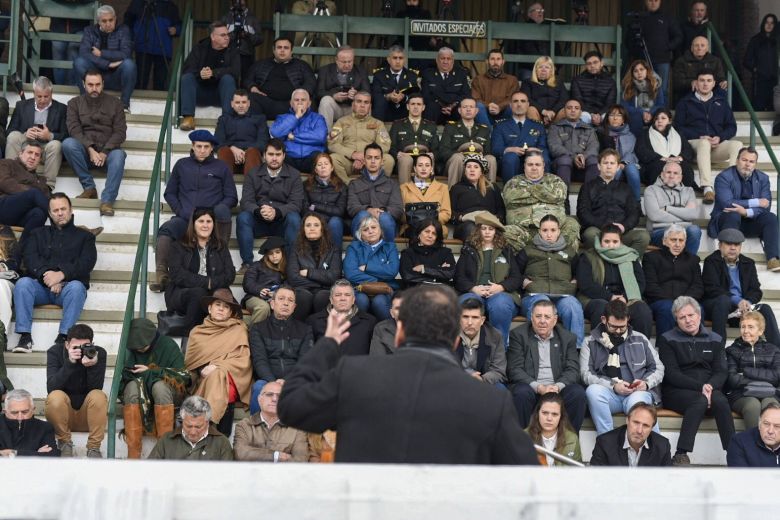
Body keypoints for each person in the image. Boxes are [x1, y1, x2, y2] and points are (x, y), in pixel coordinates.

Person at [279, 284, 539, 464]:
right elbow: (527, 478)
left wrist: (327, 345)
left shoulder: (353, 375)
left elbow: (291, 405)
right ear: (455, 342)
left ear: (400, 333)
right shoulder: (491, 402)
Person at [152, 129, 238, 292]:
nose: (202, 150)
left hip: (211, 221)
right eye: (199, 146)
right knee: (166, 229)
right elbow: (169, 192)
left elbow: (231, 197)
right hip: (186, 218)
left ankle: (220, 259)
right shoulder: (182, 165)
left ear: (212, 148)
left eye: (206, 146)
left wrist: (213, 213)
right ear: (192, 146)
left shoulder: (221, 167)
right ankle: (162, 275)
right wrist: (180, 210)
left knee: (224, 211)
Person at [657, 295, 736, 465]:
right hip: (677, 391)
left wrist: (709, 387)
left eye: (691, 315)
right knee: (699, 401)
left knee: (721, 401)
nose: (688, 320)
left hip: (710, 388)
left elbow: (721, 371)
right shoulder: (667, 339)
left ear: (699, 315)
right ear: (676, 320)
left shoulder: (715, 339)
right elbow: (672, 374)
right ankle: (681, 454)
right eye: (682, 317)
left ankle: (734, 453)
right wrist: (702, 387)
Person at [12, 194, 96, 352]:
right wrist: (48, 278)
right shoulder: (37, 233)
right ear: (50, 214)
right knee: (23, 284)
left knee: (78, 288)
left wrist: (61, 275)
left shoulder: (85, 237)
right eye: (55, 210)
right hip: (41, 288)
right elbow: (30, 258)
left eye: (63, 209)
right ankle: (24, 337)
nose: (60, 213)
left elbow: (86, 263)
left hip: (68, 289)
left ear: (71, 210)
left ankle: (65, 337)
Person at [580, 299, 664, 436]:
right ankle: (606, 441)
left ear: (628, 320)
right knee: (592, 391)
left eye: (622, 327)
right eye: (613, 326)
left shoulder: (640, 338)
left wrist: (646, 384)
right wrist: (613, 385)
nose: (618, 331)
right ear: (603, 319)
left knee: (638, 402)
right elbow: (586, 374)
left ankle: (654, 448)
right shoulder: (590, 342)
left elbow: (658, 368)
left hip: (637, 392)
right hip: (611, 393)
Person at [507, 299, 586, 432]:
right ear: (531, 318)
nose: (542, 321)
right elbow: (514, 369)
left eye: (547, 317)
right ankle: (523, 441)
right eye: (538, 316)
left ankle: (568, 442)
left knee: (578, 393)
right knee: (521, 393)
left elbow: (573, 370)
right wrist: (539, 387)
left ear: (555, 320)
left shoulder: (567, 338)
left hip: (557, 389)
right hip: (531, 388)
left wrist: (557, 387)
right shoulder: (518, 335)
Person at [185, 288, 252, 436]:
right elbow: (191, 363)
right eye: (218, 305)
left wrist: (216, 366)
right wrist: (207, 370)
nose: (221, 309)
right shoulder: (197, 332)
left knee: (218, 376)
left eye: (226, 307)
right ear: (210, 308)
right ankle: (218, 434)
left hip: (232, 377)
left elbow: (242, 359)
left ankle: (209, 428)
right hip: (203, 378)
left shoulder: (238, 330)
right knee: (214, 379)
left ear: (230, 312)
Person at [119, 317, 189, 459]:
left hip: (167, 394)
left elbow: (183, 376)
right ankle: (133, 455)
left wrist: (151, 371)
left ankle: (164, 451)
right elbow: (124, 378)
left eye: (143, 346)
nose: (139, 350)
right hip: (141, 392)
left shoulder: (167, 345)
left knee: (159, 387)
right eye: (136, 348)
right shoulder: (130, 350)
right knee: (132, 387)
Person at [62, 69, 127, 217]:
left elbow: (120, 132)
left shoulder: (115, 103)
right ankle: (89, 187)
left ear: (103, 84)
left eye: (98, 84)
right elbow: (74, 129)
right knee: (68, 144)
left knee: (120, 155)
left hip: (108, 153)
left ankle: (107, 201)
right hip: (84, 154)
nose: (94, 88)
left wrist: (104, 152)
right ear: (84, 84)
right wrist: (90, 149)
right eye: (90, 85)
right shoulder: (74, 103)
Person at [702, 228, 780, 348]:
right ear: (720, 245)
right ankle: (718, 349)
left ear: (740, 247)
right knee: (723, 300)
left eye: (737, 244)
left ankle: (776, 350)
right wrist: (737, 301)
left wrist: (747, 302)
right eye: (728, 244)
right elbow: (711, 289)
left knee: (765, 308)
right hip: (718, 308)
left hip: (741, 310)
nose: (733, 248)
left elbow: (756, 290)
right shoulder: (711, 261)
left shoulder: (748, 263)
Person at [165, 208, 236, 335]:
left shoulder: (220, 246)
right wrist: (206, 282)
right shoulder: (178, 246)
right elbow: (177, 274)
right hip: (181, 293)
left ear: (214, 225)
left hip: (214, 292)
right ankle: (191, 338)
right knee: (199, 293)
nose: (205, 225)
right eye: (201, 221)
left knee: (229, 303)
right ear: (193, 224)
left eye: (209, 221)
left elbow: (230, 274)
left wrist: (211, 284)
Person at [516, 215, 585, 345]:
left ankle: (575, 352)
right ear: (539, 231)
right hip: (535, 295)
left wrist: (575, 281)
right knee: (543, 305)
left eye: (553, 230)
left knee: (573, 306)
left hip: (563, 295)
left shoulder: (569, 251)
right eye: (545, 230)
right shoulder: (528, 250)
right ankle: (536, 350)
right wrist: (524, 281)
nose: (549, 234)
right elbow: (514, 273)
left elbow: (580, 273)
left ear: (559, 231)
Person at [237, 139, 304, 271]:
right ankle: (247, 263)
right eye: (271, 154)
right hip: (259, 221)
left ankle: (290, 264)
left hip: (282, 223)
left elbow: (296, 204)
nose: (274, 158)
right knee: (243, 217)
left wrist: (277, 212)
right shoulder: (253, 173)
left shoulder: (294, 175)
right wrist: (258, 211)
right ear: (264, 155)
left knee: (294, 218)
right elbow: (246, 201)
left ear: (284, 156)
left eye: (278, 155)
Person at [454, 212, 521, 346]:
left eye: (491, 229)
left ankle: (499, 348)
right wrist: (473, 289)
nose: (487, 232)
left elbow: (516, 278)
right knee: (468, 303)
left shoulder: (505, 250)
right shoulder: (469, 250)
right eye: (483, 228)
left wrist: (500, 287)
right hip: (475, 292)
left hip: (501, 294)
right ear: (478, 231)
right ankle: (466, 348)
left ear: (496, 231)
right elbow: (458, 278)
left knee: (500, 304)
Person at [708, 147, 780, 270]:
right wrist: (755, 202)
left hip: (749, 221)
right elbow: (727, 203)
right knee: (733, 214)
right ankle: (728, 258)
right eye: (744, 160)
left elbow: (766, 206)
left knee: (770, 217)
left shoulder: (763, 178)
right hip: (726, 221)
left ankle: (773, 259)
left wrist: (746, 212)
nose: (747, 164)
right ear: (737, 160)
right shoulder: (723, 177)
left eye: (751, 162)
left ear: (755, 164)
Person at [675, 72, 743, 203]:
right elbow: (678, 128)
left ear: (713, 84)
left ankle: (733, 185)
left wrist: (719, 137)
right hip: (693, 146)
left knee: (737, 145)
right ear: (696, 83)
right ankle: (707, 188)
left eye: (709, 80)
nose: (705, 84)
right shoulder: (685, 102)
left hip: (715, 146)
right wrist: (699, 136)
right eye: (702, 80)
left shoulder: (721, 102)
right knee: (704, 143)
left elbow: (731, 127)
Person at [576, 224, 653, 338]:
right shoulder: (588, 256)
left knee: (642, 311)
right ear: (600, 241)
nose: (610, 245)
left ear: (621, 242)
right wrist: (610, 297)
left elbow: (640, 283)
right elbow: (586, 284)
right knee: (601, 307)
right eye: (606, 241)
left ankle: (639, 349)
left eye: (615, 241)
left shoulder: (630, 256)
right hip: (596, 298)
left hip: (626, 298)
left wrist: (625, 297)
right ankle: (602, 349)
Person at [45, 323, 107, 458]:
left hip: (88, 416)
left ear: (92, 344)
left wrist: (93, 365)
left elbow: (95, 388)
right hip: (64, 416)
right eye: (75, 347)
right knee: (55, 396)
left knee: (98, 395)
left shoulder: (98, 353)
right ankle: (65, 443)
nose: (80, 351)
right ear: (67, 345)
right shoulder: (55, 352)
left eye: (84, 346)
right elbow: (51, 387)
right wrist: (69, 362)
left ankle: (94, 448)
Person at [248, 286, 313, 414]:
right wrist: (273, 383)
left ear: (294, 307)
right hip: (267, 378)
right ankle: (256, 430)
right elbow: (259, 360)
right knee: (259, 388)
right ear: (272, 304)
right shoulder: (258, 328)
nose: (285, 303)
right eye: (281, 299)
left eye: (290, 300)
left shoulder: (305, 330)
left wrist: (287, 381)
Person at [577, 149, 649, 255]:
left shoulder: (626, 188)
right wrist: (603, 225)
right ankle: (603, 264)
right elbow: (583, 213)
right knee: (590, 234)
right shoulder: (588, 187)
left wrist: (623, 226)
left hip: (620, 233)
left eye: (612, 163)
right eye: (605, 163)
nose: (609, 166)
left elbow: (634, 213)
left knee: (643, 237)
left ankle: (628, 263)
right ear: (599, 166)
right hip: (598, 231)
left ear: (618, 167)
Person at [502, 152, 579, 250]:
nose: (534, 168)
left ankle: (560, 257)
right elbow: (510, 199)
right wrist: (545, 194)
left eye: (537, 164)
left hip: (553, 231)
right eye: (530, 164)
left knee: (572, 224)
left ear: (543, 166)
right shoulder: (513, 182)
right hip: (524, 230)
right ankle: (528, 258)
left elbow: (559, 196)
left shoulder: (555, 181)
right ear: (524, 166)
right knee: (505, 232)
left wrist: (527, 192)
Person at [5, 76, 67, 189]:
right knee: (13, 136)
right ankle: (10, 178)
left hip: (45, 148)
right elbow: (9, 130)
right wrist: (25, 133)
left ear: (51, 93)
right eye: (39, 96)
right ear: (34, 93)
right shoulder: (21, 106)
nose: (42, 100)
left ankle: (47, 186)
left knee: (56, 145)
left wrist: (50, 136)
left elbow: (66, 134)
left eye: (46, 96)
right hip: (25, 146)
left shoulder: (61, 108)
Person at [643, 224, 704, 336]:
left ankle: (696, 347)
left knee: (697, 309)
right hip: (660, 302)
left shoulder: (693, 260)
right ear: (664, 241)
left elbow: (697, 287)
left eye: (681, 240)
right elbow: (650, 286)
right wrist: (675, 304)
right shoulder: (651, 258)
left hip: (686, 301)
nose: (677, 244)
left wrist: (684, 302)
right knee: (667, 308)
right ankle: (665, 348)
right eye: (673, 240)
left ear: (685, 243)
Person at [73, 5, 136, 112]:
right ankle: (86, 101)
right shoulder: (89, 31)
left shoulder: (123, 30)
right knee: (79, 62)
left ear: (115, 18)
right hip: (94, 77)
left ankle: (124, 105)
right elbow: (84, 53)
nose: (108, 23)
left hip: (115, 77)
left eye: (111, 20)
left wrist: (102, 53)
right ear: (98, 22)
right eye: (104, 21)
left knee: (129, 64)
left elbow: (125, 54)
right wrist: (107, 64)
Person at [179, 21, 240, 131]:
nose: (227, 38)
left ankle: (226, 120)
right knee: (187, 77)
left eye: (228, 34)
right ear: (213, 37)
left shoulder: (233, 50)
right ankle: (188, 118)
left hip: (222, 96)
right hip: (200, 94)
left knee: (228, 79)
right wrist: (200, 74)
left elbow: (236, 71)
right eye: (223, 35)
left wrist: (214, 73)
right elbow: (187, 69)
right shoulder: (200, 48)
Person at [725, 311, 780, 429]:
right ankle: (754, 446)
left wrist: (747, 372)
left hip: (769, 392)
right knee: (753, 405)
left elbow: (776, 377)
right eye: (743, 327)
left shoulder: (773, 350)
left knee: (771, 406)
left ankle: (772, 444)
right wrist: (765, 379)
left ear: (760, 331)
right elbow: (733, 379)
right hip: (740, 394)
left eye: (750, 327)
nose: (745, 331)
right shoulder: (732, 350)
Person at [234, 380, 309, 462]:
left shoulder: (297, 428)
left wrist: (255, 454)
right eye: (269, 394)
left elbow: (300, 460)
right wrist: (276, 456)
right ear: (259, 399)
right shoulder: (244, 425)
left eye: (280, 396)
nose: (274, 399)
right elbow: (240, 454)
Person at [328, 92, 394, 183]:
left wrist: (366, 156)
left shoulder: (378, 124)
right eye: (359, 101)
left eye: (366, 102)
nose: (362, 105)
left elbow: (385, 145)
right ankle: (348, 187)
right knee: (333, 158)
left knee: (389, 160)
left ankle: (376, 186)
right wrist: (353, 154)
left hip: (371, 161)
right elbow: (333, 144)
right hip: (348, 162)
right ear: (353, 104)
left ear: (370, 106)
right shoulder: (341, 122)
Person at [244, 36, 316, 120]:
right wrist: (253, 88)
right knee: (250, 98)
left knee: (310, 102)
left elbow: (311, 82)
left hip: (292, 104)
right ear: (273, 50)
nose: (282, 50)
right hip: (266, 103)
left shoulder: (302, 65)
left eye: (286, 48)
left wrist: (299, 96)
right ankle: (258, 127)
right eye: (279, 47)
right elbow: (247, 80)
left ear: (291, 50)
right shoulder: (261, 64)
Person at [344, 215, 400, 322]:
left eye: (374, 227)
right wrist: (379, 281)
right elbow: (351, 273)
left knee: (379, 301)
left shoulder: (390, 247)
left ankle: (388, 332)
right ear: (360, 234)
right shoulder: (354, 247)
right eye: (366, 229)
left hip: (383, 291)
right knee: (361, 300)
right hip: (359, 289)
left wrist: (366, 268)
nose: (370, 231)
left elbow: (392, 271)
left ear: (380, 230)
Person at [287, 213, 342, 319]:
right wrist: (321, 281)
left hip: (324, 291)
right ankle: (299, 333)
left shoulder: (333, 248)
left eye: (316, 225)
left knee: (322, 296)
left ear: (322, 229)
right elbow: (293, 277)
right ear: (303, 229)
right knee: (303, 296)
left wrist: (309, 272)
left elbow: (334, 276)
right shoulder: (295, 248)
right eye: (308, 225)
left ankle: (322, 333)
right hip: (302, 289)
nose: (312, 228)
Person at [147, 395, 234, 460]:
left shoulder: (221, 443)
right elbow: (149, 471)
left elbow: (229, 478)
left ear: (207, 422)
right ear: (182, 420)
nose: (192, 432)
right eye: (188, 426)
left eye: (198, 427)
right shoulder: (167, 440)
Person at [345, 143, 403, 240]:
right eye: (369, 158)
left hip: (385, 223)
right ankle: (359, 252)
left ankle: (387, 252)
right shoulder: (354, 184)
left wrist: (380, 212)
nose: (373, 161)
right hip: (362, 223)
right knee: (363, 215)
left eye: (376, 158)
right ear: (364, 160)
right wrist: (368, 210)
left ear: (382, 161)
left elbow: (397, 209)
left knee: (385, 218)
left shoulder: (392, 184)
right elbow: (351, 208)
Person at [624, 0, 682, 96]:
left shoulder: (667, 18)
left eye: (656, 0)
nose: (653, 3)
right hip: (642, 61)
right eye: (650, 0)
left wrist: (667, 47)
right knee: (641, 88)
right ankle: (642, 111)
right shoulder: (638, 18)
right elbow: (628, 40)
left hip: (662, 60)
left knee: (662, 89)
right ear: (645, 2)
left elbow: (678, 36)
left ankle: (662, 110)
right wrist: (636, 52)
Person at [306, 279, 377, 356]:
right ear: (331, 300)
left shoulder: (369, 322)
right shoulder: (313, 321)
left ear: (353, 300)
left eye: (347, 295)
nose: (343, 298)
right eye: (338, 295)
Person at [643, 161, 702, 254]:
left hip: (683, 230)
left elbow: (693, 214)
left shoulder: (689, 191)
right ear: (662, 174)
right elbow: (654, 215)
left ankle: (689, 262)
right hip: (660, 231)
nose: (671, 176)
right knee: (673, 236)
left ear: (680, 177)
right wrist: (684, 215)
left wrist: (667, 209)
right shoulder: (651, 190)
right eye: (668, 172)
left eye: (675, 173)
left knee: (694, 230)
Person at [492, 90, 550, 183]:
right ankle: (509, 193)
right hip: (509, 164)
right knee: (510, 157)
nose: (519, 104)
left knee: (544, 158)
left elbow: (543, 147)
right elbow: (496, 149)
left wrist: (535, 150)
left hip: (532, 162)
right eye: (515, 101)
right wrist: (509, 149)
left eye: (523, 101)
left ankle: (543, 192)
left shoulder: (538, 126)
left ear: (528, 105)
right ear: (510, 105)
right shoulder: (500, 126)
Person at [589, 402, 672, 466]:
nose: (639, 430)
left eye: (646, 425)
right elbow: (595, 479)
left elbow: (667, 482)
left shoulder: (662, 446)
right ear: (627, 420)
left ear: (652, 428)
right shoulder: (605, 442)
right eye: (636, 423)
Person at [124, 0, 181, 91]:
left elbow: (178, 25)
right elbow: (127, 22)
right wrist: (132, 37)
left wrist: (175, 29)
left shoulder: (170, 6)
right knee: (141, 80)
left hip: (163, 48)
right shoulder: (138, 3)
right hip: (143, 46)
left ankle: (161, 104)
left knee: (161, 82)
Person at [0, 141, 50, 243]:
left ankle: (20, 251)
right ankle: (61, 223)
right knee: (34, 193)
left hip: (21, 216)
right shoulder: (7, 163)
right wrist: (30, 192)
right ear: (20, 154)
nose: (33, 157)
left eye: (37, 155)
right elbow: (4, 182)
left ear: (39, 160)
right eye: (30, 152)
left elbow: (46, 198)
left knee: (39, 213)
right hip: (3, 207)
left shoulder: (41, 180)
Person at [439, 97, 495, 187]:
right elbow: (443, 152)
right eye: (465, 107)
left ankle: (489, 193)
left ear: (476, 111)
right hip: (456, 165)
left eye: (471, 107)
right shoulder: (450, 127)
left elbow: (488, 152)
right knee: (457, 157)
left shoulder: (484, 129)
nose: (468, 109)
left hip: (477, 165)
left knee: (491, 158)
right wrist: (460, 154)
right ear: (459, 110)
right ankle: (453, 193)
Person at [635, 109, 697, 188]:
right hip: (655, 162)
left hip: (676, 160)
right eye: (656, 119)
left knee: (686, 168)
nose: (659, 121)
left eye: (663, 118)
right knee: (657, 167)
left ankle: (684, 191)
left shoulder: (678, 133)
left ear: (669, 121)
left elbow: (688, 149)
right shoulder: (645, 133)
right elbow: (641, 150)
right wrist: (661, 158)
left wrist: (680, 157)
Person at [269, 89, 327, 174]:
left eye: (303, 100)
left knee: (319, 157)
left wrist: (293, 137)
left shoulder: (318, 118)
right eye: (296, 100)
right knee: (280, 157)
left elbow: (320, 137)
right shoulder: (282, 118)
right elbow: (275, 133)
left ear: (309, 103)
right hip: (290, 157)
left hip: (311, 157)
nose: (300, 102)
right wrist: (296, 117)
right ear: (291, 103)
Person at [449, 154, 505, 242]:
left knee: (496, 231)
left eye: (476, 167)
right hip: (466, 224)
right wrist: (463, 217)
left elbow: (501, 210)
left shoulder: (492, 187)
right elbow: (450, 212)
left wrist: (495, 218)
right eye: (468, 167)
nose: (472, 170)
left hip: (489, 223)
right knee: (471, 229)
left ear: (481, 172)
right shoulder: (456, 188)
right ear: (465, 171)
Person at [214, 89, 268, 175]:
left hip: (252, 161)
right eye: (237, 102)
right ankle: (225, 187)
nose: (241, 105)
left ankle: (250, 188)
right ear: (232, 104)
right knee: (223, 150)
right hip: (230, 161)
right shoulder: (224, 119)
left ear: (249, 103)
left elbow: (263, 143)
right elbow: (217, 142)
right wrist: (232, 148)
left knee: (253, 152)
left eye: (244, 102)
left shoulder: (259, 119)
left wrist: (244, 152)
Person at [389, 94, 439, 185]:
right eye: (413, 104)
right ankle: (404, 194)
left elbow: (436, 148)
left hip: (424, 159)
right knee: (406, 159)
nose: (415, 107)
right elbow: (391, 146)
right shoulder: (397, 124)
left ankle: (426, 194)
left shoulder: (431, 126)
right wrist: (397, 154)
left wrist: (432, 154)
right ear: (408, 106)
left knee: (426, 160)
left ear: (423, 107)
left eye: (419, 104)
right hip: (403, 161)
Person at [316, 46, 370, 129]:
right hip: (334, 108)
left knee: (365, 101)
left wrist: (356, 95)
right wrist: (333, 95)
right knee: (325, 100)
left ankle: (363, 137)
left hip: (352, 108)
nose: (347, 65)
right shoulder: (325, 70)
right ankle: (326, 137)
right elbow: (319, 92)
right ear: (336, 60)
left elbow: (367, 92)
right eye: (344, 62)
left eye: (350, 61)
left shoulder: (361, 71)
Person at [548, 98, 599, 186]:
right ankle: (563, 198)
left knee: (594, 161)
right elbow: (555, 147)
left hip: (583, 167)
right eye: (569, 108)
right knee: (565, 159)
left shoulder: (589, 129)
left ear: (580, 112)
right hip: (562, 167)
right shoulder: (555, 127)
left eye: (576, 108)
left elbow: (594, 147)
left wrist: (584, 156)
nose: (573, 110)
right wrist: (573, 157)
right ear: (564, 111)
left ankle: (589, 197)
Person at [456, 298, 507, 385]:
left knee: (501, 389)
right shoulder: (448, 335)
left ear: (482, 320)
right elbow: (441, 367)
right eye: (465, 317)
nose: (469, 322)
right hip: (456, 381)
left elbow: (499, 371)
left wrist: (481, 379)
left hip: (484, 382)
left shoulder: (495, 336)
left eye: (475, 317)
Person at [597, 105, 642, 201]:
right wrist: (616, 163)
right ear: (607, 118)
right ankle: (610, 202)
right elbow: (600, 153)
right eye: (612, 115)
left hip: (626, 163)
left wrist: (623, 162)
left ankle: (636, 203)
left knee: (632, 169)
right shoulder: (601, 133)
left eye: (619, 115)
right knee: (616, 170)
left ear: (624, 119)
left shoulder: (630, 136)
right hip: (610, 164)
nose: (615, 118)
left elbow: (632, 153)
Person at [303, 153, 346, 249]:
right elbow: (305, 209)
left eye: (326, 164)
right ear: (315, 170)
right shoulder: (306, 185)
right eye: (319, 164)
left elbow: (340, 211)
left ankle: (335, 259)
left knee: (335, 221)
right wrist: (318, 221)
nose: (323, 166)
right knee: (309, 223)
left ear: (332, 168)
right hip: (314, 220)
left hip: (333, 221)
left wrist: (316, 206)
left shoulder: (341, 186)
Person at [399, 154, 450, 236]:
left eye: (427, 165)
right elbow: (400, 214)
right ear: (415, 168)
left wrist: (428, 220)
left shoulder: (443, 188)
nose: (423, 168)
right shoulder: (404, 188)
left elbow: (446, 213)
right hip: (411, 227)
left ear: (431, 169)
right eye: (420, 165)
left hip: (435, 227)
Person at [525, 393, 582, 466]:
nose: (549, 418)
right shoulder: (524, 437)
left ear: (561, 416)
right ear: (537, 413)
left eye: (554, 414)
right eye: (545, 413)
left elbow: (578, 472)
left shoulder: (572, 439)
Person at [241, 236, 287, 325]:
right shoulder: (257, 265)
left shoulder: (286, 268)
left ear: (282, 253)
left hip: (276, 298)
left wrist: (278, 293)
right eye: (271, 253)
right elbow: (247, 283)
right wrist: (259, 289)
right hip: (255, 297)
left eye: (277, 252)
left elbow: (289, 284)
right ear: (266, 255)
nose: (274, 256)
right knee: (263, 307)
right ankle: (254, 336)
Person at [0, 389, 59, 457]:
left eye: (25, 412)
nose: (20, 417)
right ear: (5, 411)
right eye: (14, 413)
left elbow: (52, 455)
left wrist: (13, 453)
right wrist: (36, 453)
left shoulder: (45, 428)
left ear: (33, 410)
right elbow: (43, 456)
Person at [420, 48, 471, 125]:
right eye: (442, 58)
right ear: (437, 60)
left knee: (464, 108)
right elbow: (425, 95)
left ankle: (463, 135)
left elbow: (466, 95)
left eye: (448, 59)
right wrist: (442, 106)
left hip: (455, 108)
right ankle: (427, 134)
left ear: (453, 61)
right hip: (435, 108)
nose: (445, 61)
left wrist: (453, 105)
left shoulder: (461, 74)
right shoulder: (428, 74)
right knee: (430, 107)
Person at [371, 45, 420, 123]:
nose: (397, 61)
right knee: (379, 103)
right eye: (395, 58)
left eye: (400, 58)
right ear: (388, 59)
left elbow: (417, 96)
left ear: (405, 60)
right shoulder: (379, 75)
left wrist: (404, 97)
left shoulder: (412, 76)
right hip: (386, 112)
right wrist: (388, 96)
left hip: (404, 113)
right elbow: (375, 96)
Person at [399, 219, 455, 287]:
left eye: (434, 233)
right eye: (427, 231)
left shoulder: (446, 252)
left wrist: (424, 269)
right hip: (416, 292)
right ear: (419, 234)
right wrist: (438, 272)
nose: (430, 236)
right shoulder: (408, 253)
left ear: (437, 237)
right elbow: (407, 276)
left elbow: (450, 273)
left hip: (440, 292)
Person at [672, 36, 728, 104]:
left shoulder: (715, 61)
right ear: (692, 48)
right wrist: (691, 82)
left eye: (702, 45)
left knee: (722, 90)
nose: (699, 48)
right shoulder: (681, 61)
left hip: (710, 90)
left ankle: (721, 111)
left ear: (707, 48)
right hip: (689, 90)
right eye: (696, 45)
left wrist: (723, 82)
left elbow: (720, 77)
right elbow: (678, 82)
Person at [471, 49, 518, 128]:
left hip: (504, 114)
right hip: (484, 115)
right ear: (487, 62)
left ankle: (502, 132)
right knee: (477, 106)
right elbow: (475, 99)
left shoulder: (512, 80)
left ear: (503, 62)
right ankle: (489, 133)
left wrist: (499, 107)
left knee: (513, 105)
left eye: (498, 59)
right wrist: (488, 105)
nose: (495, 62)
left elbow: (513, 98)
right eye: (492, 59)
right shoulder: (478, 79)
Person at [503, 2, 550, 81]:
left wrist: (555, 66)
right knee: (527, 78)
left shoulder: (548, 29)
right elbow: (515, 49)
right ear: (529, 14)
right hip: (528, 68)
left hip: (546, 67)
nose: (540, 12)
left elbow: (557, 50)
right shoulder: (522, 29)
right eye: (537, 10)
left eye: (542, 10)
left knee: (555, 81)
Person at [220, 0, 263, 83]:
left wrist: (247, 35)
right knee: (230, 80)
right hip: (229, 54)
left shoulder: (253, 19)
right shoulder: (225, 18)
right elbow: (219, 37)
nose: (238, 1)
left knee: (246, 80)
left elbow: (260, 39)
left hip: (246, 55)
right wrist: (233, 34)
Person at [726, 401, 780, 467]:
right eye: (766, 424)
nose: (770, 431)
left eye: (777, 426)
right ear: (759, 424)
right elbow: (738, 476)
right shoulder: (739, 442)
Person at [570, 51, 616, 126]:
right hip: (584, 112)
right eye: (589, 63)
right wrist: (592, 115)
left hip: (603, 113)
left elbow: (610, 103)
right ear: (586, 65)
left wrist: (599, 115)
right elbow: (578, 100)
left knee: (611, 117)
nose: (592, 66)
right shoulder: (577, 80)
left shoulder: (610, 81)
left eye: (595, 62)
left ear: (601, 63)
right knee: (582, 116)